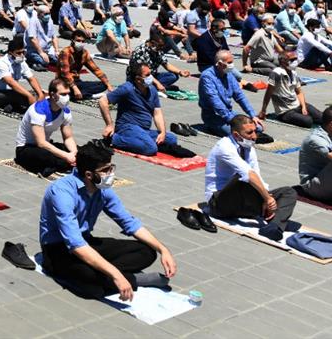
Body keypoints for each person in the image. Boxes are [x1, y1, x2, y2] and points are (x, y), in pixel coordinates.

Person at [38, 140, 177, 300]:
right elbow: (75, 244)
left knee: (147, 251)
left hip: (86, 242)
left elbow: (129, 222)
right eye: (105, 170)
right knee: (91, 286)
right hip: (58, 249)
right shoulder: (62, 192)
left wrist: (163, 250)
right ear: (89, 175)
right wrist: (116, 274)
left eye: (111, 168)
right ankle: (133, 280)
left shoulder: (102, 189)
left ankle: (105, 274)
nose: (111, 173)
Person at [204, 115, 297, 239]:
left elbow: (257, 174)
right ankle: (267, 211)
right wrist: (267, 199)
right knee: (243, 178)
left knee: (288, 192)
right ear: (236, 135)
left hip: (242, 202)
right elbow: (248, 174)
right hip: (220, 203)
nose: (254, 136)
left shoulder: (248, 147)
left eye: (255, 131)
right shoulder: (224, 147)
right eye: (249, 133)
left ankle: (274, 227)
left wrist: (266, 198)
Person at [98, 63, 197, 158]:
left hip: (144, 130)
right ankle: (113, 139)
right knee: (150, 148)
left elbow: (157, 113)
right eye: (148, 75)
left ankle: (143, 141)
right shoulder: (127, 88)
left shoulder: (152, 90)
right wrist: (109, 125)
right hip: (128, 127)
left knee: (171, 139)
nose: (151, 77)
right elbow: (103, 101)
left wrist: (162, 132)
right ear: (138, 79)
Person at [199, 50, 272, 142]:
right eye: (229, 62)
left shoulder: (229, 74)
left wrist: (252, 115)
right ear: (220, 64)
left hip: (230, 113)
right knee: (236, 133)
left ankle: (249, 133)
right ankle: (211, 126)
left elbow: (239, 96)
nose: (232, 65)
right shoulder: (207, 77)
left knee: (258, 127)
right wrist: (233, 121)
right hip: (213, 115)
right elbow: (215, 102)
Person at [14, 77, 78, 177]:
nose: (67, 97)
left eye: (68, 93)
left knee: (82, 152)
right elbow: (41, 143)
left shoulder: (66, 112)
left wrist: (74, 153)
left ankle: (58, 165)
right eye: (63, 94)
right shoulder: (38, 110)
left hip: (46, 145)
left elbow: (68, 137)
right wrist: (66, 156)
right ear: (52, 94)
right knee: (47, 157)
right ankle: (57, 165)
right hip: (27, 148)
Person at [260, 48, 322, 128]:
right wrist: (263, 110)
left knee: (322, 117)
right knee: (308, 121)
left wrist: (303, 106)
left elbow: (299, 92)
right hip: (286, 111)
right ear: (283, 62)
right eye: (292, 60)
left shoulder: (293, 73)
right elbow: (268, 93)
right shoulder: (277, 73)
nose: (295, 61)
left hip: (297, 105)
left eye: (296, 59)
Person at [0, 37, 44, 112]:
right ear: (10, 53)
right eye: (18, 53)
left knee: (40, 94)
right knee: (23, 95)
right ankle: (32, 110)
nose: (22, 55)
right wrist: (29, 96)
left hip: (10, 92)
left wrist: (40, 94)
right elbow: (11, 82)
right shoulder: (2, 63)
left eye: (23, 52)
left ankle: (11, 106)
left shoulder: (21, 62)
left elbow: (31, 78)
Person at [56, 32, 111, 101]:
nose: (81, 43)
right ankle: (86, 95)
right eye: (78, 41)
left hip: (77, 81)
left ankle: (81, 94)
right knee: (69, 90)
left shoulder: (84, 53)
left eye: (83, 41)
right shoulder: (65, 52)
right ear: (72, 40)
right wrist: (74, 88)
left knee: (103, 85)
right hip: (63, 82)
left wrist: (108, 84)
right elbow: (65, 73)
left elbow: (95, 69)